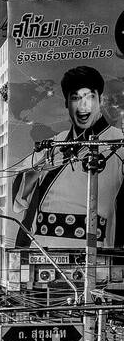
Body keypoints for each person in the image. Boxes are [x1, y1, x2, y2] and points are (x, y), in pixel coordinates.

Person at [12, 64, 124, 252]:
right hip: (44, 252)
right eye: (75, 98)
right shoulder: (55, 143)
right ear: (66, 103)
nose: (83, 106)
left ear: (101, 100)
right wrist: (33, 175)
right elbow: (19, 203)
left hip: (98, 252)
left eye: (89, 97)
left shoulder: (119, 144)